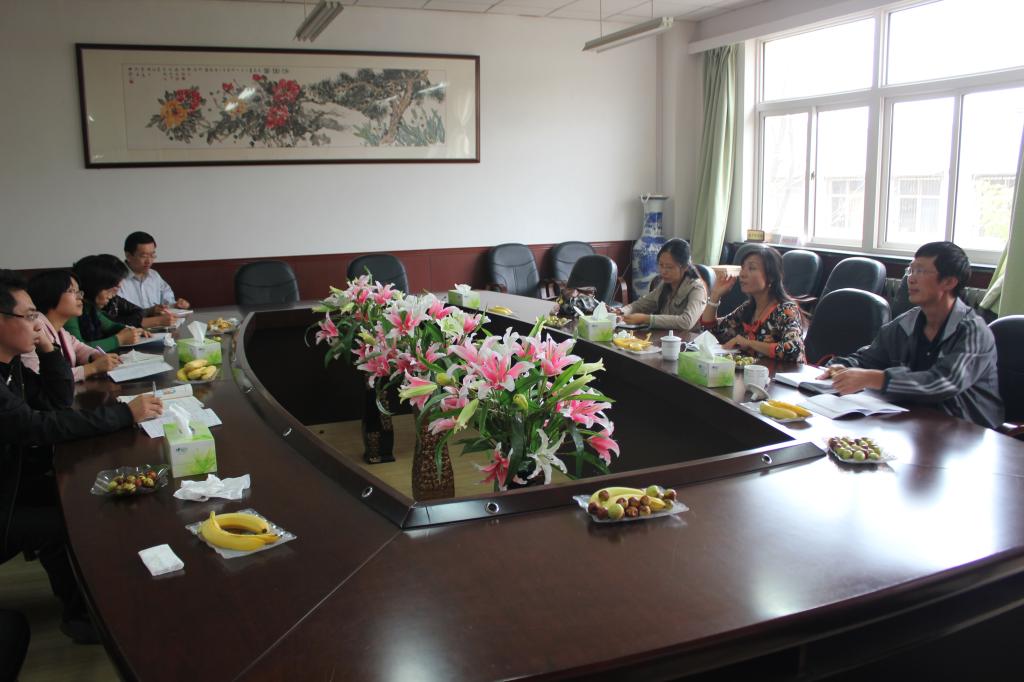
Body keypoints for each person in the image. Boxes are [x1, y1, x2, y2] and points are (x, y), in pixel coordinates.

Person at [0, 270, 163, 643]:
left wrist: (48, 348)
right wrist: (123, 414)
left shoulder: (11, 366)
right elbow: (36, 426)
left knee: (86, 494)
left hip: (14, 482)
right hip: (6, 496)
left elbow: (56, 402)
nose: (37, 323)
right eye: (29, 316)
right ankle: (81, 616)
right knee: (71, 520)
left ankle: (89, 604)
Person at [819, 241, 1003, 429]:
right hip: (917, 423)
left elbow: (943, 383)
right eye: (910, 270)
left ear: (949, 282)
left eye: (920, 271)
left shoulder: (973, 331)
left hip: (969, 430)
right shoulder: (907, 322)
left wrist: (874, 378)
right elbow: (869, 358)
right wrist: (843, 367)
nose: (911, 279)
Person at [700, 245, 805, 363]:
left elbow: (793, 350)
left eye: (752, 268)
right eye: (743, 268)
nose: (742, 274)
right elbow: (712, 333)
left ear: (771, 277)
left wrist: (749, 343)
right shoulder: (747, 308)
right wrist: (715, 295)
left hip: (781, 374)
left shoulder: (786, 310)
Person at [21, 269, 121, 381]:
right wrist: (92, 368)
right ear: (50, 294)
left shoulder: (60, 330)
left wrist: (95, 355)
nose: (80, 297)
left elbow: (78, 347)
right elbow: (38, 376)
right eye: (72, 291)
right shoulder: (34, 328)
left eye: (79, 292)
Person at [616, 239, 708, 330]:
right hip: (664, 336)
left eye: (669, 267)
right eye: (661, 265)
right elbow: (640, 305)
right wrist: (621, 311)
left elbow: (686, 322)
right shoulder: (665, 284)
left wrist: (647, 319)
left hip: (688, 338)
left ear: (685, 267)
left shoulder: (697, 288)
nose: (663, 271)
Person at [65, 255, 148, 352]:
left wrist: (133, 331)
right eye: (109, 289)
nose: (113, 295)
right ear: (94, 286)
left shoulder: (89, 307)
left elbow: (111, 326)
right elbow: (78, 349)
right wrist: (119, 339)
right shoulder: (70, 311)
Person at [118, 231, 190, 311]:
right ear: (128, 256)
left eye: (152, 255)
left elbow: (168, 302)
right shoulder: (116, 278)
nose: (149, 261)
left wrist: (176, 306)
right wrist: (150, 312)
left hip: (160, 319)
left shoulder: (154, 276)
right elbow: (118, 313)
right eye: (144, 256)